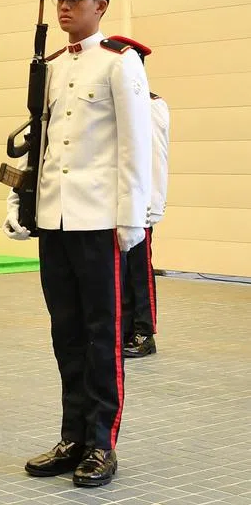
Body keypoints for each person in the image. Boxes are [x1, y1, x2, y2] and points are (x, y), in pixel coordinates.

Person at [4, 0, 151, 488]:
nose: (65, 6)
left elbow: (136, 148)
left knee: (101, 334)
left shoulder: (120, 63)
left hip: (97, 221)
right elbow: (40, 141)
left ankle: (102, 443)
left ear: (100, 5)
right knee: (65, 331)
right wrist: (21, 203)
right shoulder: (54, 66)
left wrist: (132, 217)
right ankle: (73, 436)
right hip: (55, 219)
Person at [106, 36, 170, 360]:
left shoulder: (152, 104)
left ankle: (144, 332)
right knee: (121, 272)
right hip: (115, 203)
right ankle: (127, 329)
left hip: (141, 205)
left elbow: (155, 157)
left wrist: (152, 205)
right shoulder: (116, 104)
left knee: (139, 273)